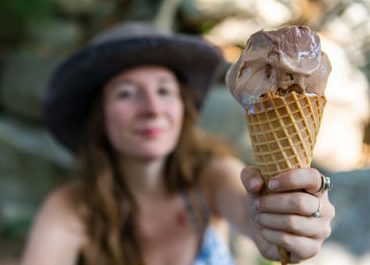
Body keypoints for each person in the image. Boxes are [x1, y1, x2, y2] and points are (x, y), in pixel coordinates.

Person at [20, 22, 335, 265]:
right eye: (127, 93)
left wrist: (276, 221)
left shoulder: (211, 178)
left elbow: (247, 209)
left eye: (164, 91)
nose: (152, 109)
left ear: (183, 107)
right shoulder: (72, 209)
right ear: (99, 117)